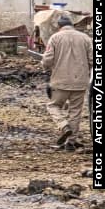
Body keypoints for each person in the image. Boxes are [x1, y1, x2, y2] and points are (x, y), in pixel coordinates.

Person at [39, 14, 92, 147]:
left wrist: (44, 67)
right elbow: (93, 60)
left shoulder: (55, 38)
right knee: (75, 112)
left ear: (59, 26)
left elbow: (47, 60)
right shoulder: (85, 38)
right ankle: (71, 142)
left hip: (60, 81)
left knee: (53, 106)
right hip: (80, 82)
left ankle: (64, 126)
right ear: (72, 25)